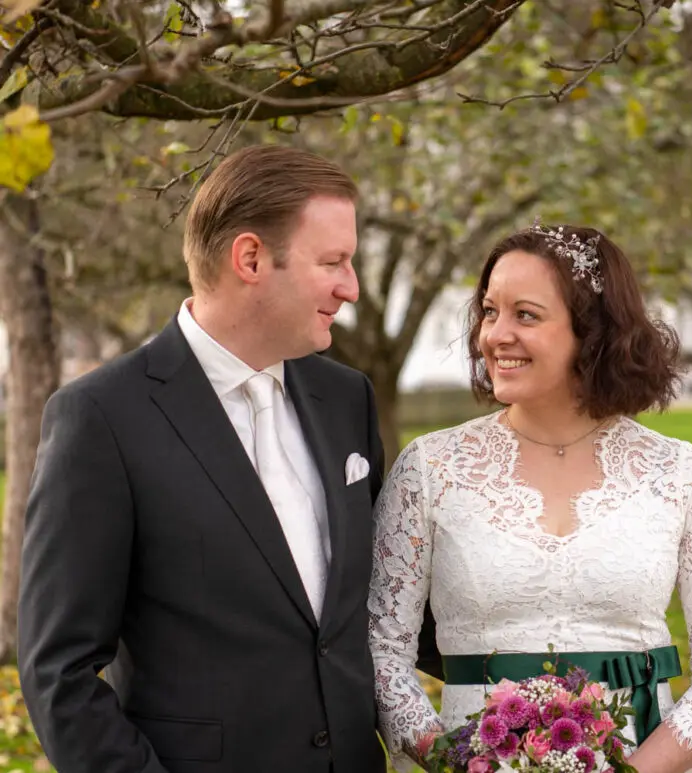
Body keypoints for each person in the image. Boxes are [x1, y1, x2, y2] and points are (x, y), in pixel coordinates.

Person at [17, 144, 438, 773]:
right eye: (334, 262)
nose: (351, 287)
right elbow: (59, 673)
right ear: (251, 258)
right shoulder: (101, 418)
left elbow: (385, 601)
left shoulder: (345, 398)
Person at [369, 222, 692, 773]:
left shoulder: (680, 473)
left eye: (525, 315)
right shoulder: (430, 470)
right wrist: (459, 765)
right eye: (489, 311)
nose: (495, 335)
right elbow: (383, 655)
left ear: (593, 332)